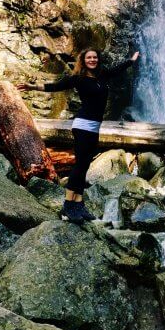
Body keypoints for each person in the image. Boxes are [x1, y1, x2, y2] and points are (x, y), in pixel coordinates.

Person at [17, 48, 139, 223]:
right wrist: (32, 86)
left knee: (85, 165)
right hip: (82, 126)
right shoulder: (79, 79)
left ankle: (79, 204)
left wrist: (131, 61)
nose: (92, 60)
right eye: (89, 57)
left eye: (95, 57)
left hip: (94, 127)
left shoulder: (103, 74)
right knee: (80, 165)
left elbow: (117, 70)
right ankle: (68, 205)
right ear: (83, 60)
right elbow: (56, 86)